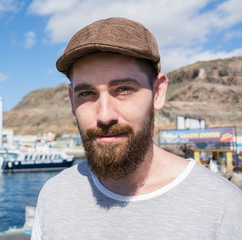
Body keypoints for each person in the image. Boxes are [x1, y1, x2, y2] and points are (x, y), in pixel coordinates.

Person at [31, 17, 242, 240]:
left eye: (123, 89)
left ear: (159, 92)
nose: (104, 116)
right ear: (72, 100)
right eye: (87, 93)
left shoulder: (223, 208)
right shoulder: (54, 195)